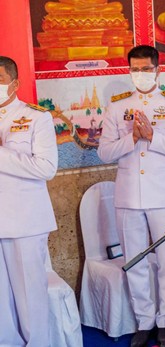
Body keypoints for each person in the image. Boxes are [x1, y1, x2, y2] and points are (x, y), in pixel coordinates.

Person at [98, 45, 165, 347]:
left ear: (157, 70)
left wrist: (154, 137)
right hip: (128, 197)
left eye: (145, 69)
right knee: (135, 262)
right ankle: (144, 321)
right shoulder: (116, 107)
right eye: (134, 69)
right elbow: (104, 152)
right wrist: (132, 138)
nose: (139, 74)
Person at [0, 56, 58, 346]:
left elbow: (46, 168)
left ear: (14, 83)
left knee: (29, 296)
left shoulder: (37, 117)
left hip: (24, 220)